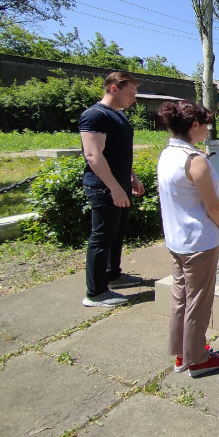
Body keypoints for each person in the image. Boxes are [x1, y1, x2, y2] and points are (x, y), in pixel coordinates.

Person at [157, 100, 219, 378]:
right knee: (199, 300)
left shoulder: (168, 154)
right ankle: (198, 359)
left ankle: (182, 354)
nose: (208, 130)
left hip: (176, 239)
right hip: (198, 241)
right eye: (205, 125)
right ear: (193, 126)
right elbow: (212, 206)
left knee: (181, 298)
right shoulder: (194, 159)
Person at [79, 72, 145, 307]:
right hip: (104, 187)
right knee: (102, 236)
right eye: (130, 94)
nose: (134, 99)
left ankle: (113, 275)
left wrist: (132, 178)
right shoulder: (95, 116)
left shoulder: (118, 115)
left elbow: (119, 153)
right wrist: (115, 188)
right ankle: (95, 292)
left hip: (121, 184)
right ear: (114, 89)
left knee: (117, 232)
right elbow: (93, 156)